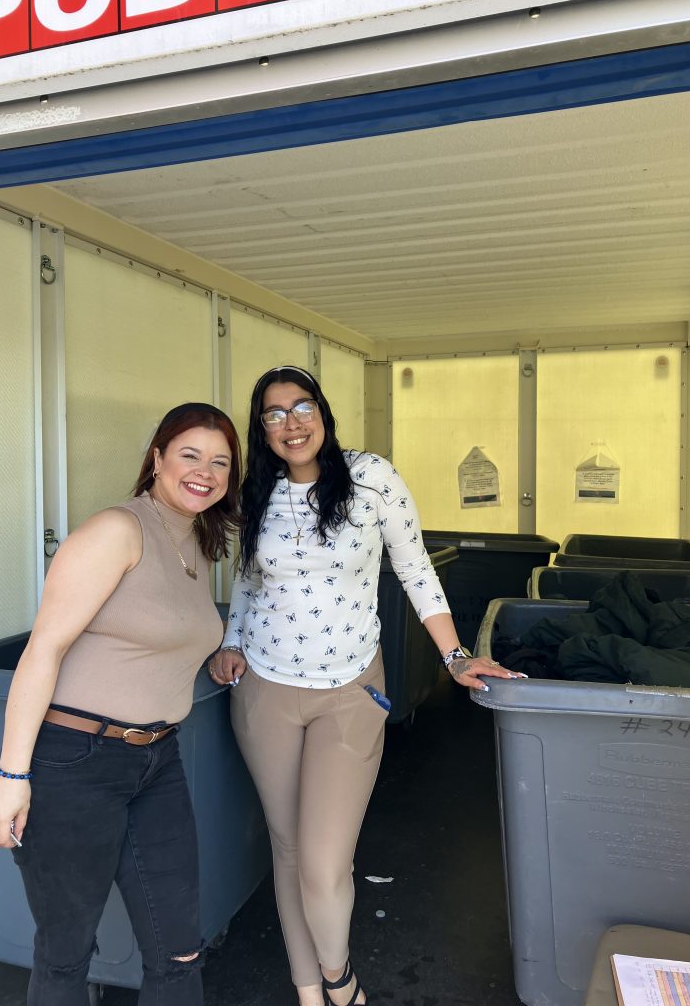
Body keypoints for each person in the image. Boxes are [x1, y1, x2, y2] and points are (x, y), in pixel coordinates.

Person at [208, 366, 523, 1006]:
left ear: (323, 413)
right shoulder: (256, 492)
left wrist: (455, 656)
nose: (291, 423)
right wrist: (231, 641)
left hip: (349, 691)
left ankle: (339, 981)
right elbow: (246, 579)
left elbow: (416, 569)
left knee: (324, 861)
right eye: (274, 413)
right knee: (288, 850)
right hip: (264, 691)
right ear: (261, 429)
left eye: (302, 407)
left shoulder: (371, 478)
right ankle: (308, 991)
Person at [0, 402, 241, 1006]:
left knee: (179, 949)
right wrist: (10, 776)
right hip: (75, 760)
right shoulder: (117, 531)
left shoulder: (197, 542)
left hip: (157, 761)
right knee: (66, 954)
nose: (205, 472)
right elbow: (44, 649)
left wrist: (218, 653)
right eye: (190, 455)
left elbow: (155, 634)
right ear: (157, 458)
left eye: (220, 462)